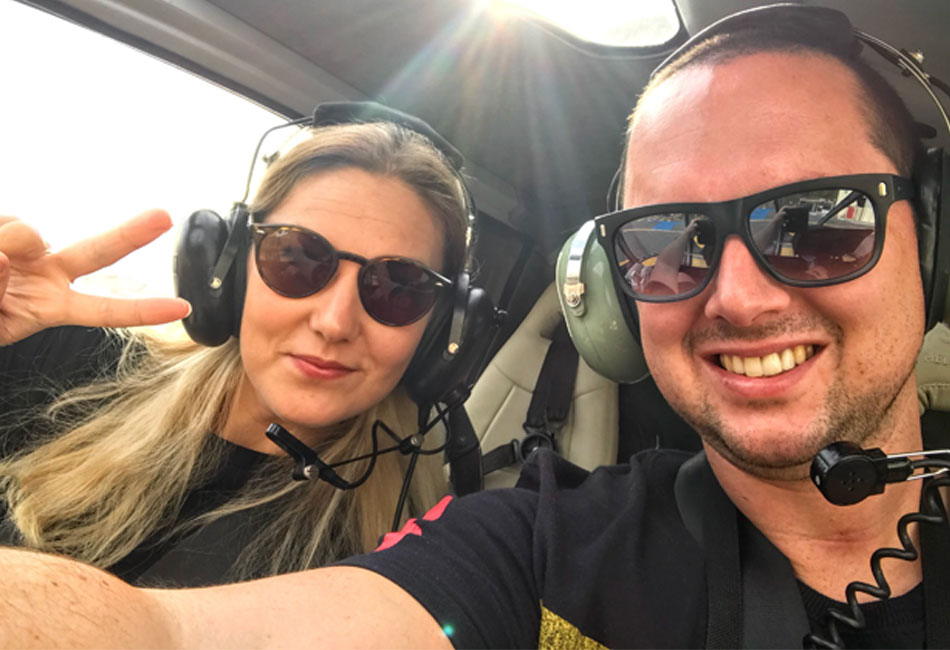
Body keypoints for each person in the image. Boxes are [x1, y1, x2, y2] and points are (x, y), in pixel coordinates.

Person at [1, 4, 949, 648]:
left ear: (932, 239)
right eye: (670, 239)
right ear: (226, 267)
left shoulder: (420, 490)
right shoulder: (537, 542)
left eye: (822, 224)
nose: (738, 298)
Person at [0, 117, 469, 586]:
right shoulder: (63, 364)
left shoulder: (405, 560)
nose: (334, 323)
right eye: (296, 259)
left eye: (399, 288)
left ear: (439, 332)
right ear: (227, 268)